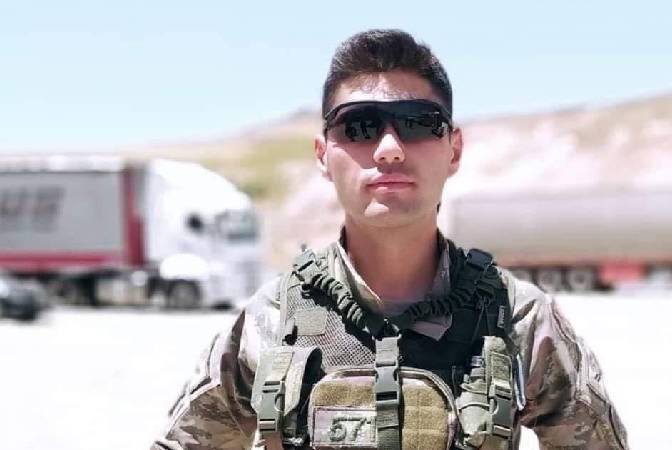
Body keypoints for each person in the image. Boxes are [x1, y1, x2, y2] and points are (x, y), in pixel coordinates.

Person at [152, 29, 628, 450]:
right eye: (359, 126)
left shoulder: (519, 319)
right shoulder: (272, 320)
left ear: (454, 150)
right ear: (323, 155)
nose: (389, 149)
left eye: (418, 122)